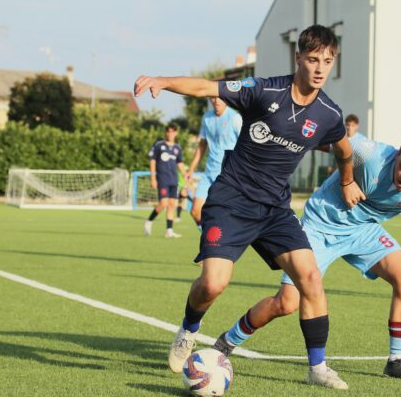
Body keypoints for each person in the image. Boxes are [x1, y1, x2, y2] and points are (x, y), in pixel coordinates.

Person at [134, 24, 364, 390]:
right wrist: (163, 79)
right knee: (213, 284)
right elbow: (207, 87)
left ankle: (317, 367)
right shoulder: (264, 90)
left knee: (310, 277)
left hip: (274, 209)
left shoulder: (329, 114)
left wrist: (348, 180)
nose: (320, 67)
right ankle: (188, 329)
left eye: (328, 60)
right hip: (231, 200)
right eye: (313, 59)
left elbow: (344, 150)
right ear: (298, 58)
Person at [211, 134, 401, 381]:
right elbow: (328, 138)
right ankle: (228, 341)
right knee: (287, 303)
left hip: (363, 230)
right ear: (398, 154)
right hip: (320, 226)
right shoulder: (370, 154)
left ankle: (397, 360)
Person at [186, 97, 241, 227]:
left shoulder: (235, 118)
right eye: (212, 97)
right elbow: (202, 145)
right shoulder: (206, 117)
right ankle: (211, 240)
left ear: (226, 99)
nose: (216, 101)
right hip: (209, 172)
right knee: (195, 211)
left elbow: (245, 144)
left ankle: (220, 243)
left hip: (227, 174)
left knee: (223, 214)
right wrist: (191, 169)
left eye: (219, 98)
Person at [143, 122, 187, 238]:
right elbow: (152, 161)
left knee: (172, 204)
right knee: (163, 203)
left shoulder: (177, 147)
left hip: (174, 180)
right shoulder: (158, 145)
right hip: (162, 179)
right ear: (165, 132)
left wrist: (185, 174)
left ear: (176, 133)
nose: (170, 134)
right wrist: (153, 178)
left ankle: (169, 231)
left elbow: (180, 163)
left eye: (172, 132)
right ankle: (149, 221)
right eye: (168, 131)